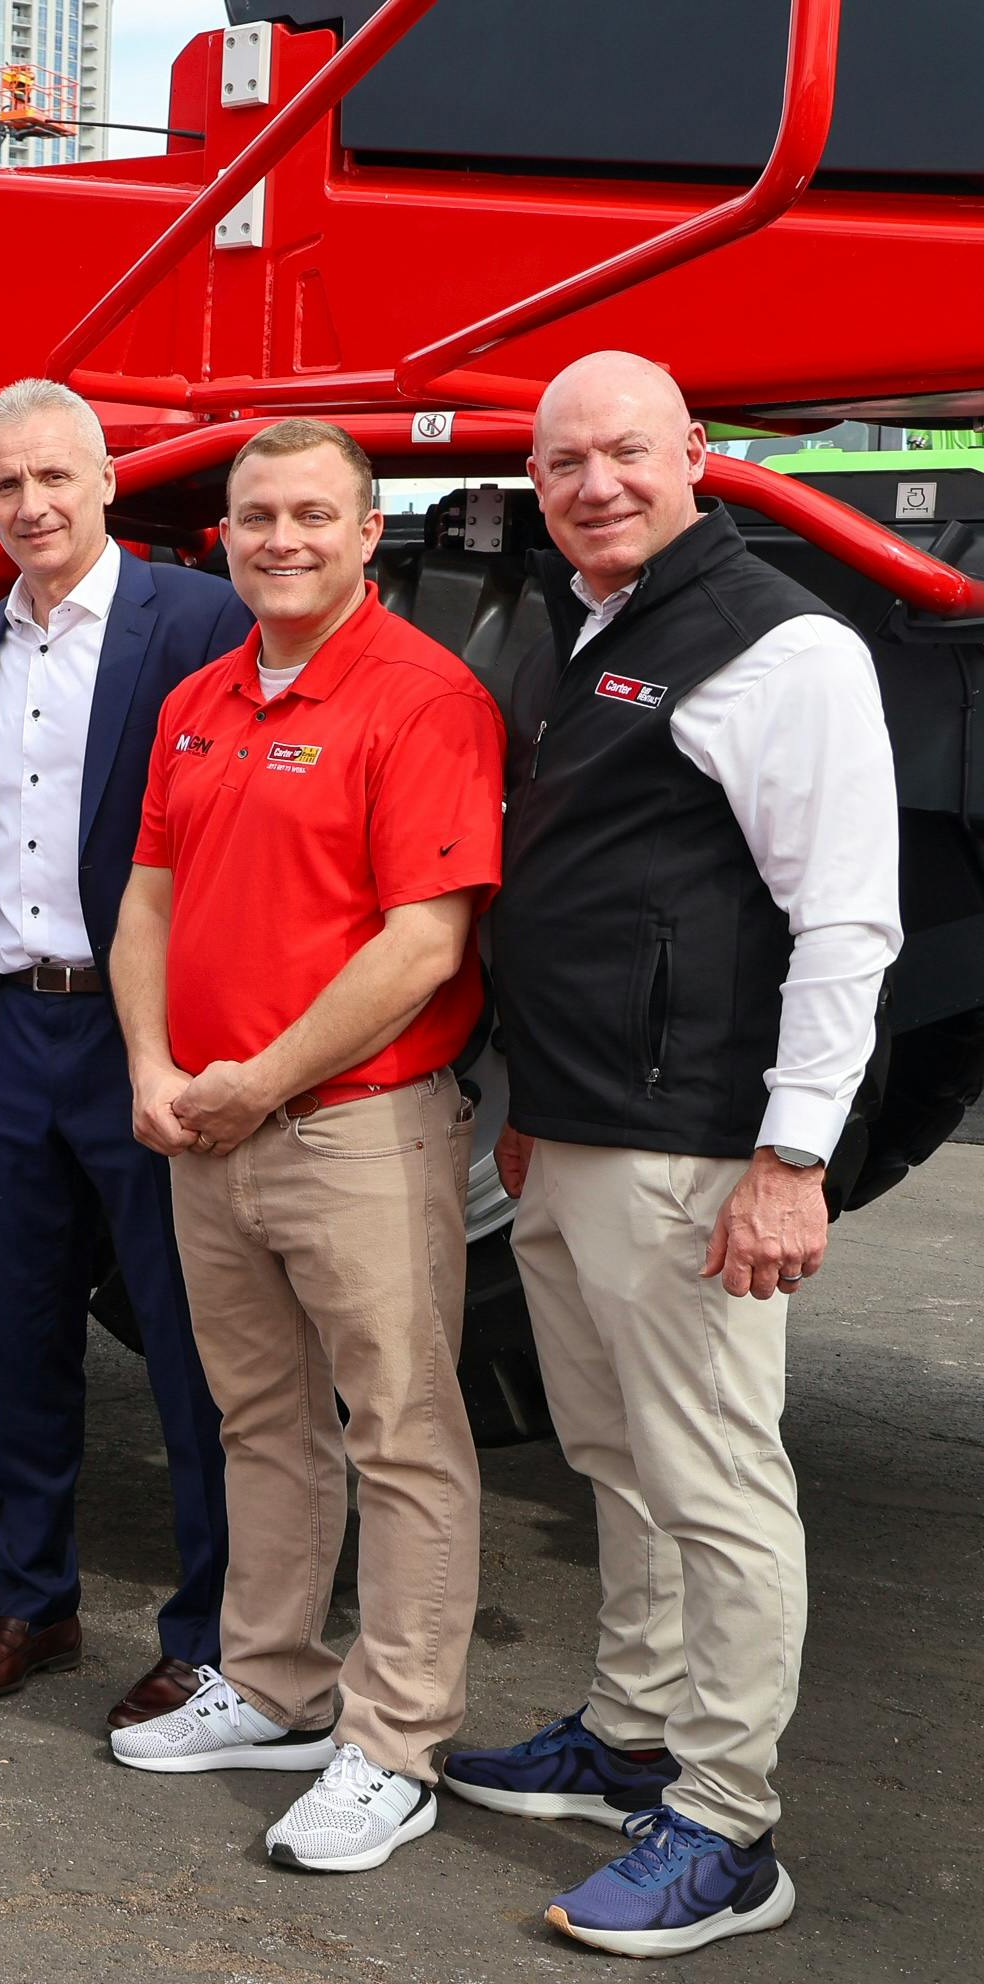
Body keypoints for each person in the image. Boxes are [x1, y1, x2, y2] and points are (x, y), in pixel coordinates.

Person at [442, 352, 899, 1959]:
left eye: (626, 452)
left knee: (717, 1487)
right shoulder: (589, 623)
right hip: (565, 1139)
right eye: (565, 461)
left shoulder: (782, 646)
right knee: (617, 1460)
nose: (595, 484)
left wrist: (794, 1159)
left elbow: (847, 920)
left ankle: (724, 1820)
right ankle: (629, 1736)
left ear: (695, 454)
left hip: (694, 1150)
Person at [105, 418, 504, 1875]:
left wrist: (256, 1079)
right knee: (258, 1421)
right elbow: (148, 895)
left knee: (400, 1435)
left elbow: (425, 943)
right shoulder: (202, 695)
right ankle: (271, 1681)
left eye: (312, 516)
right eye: (256, 515)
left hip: (352, 1129)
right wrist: (153, 1066)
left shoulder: (424, 697)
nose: (281, 539)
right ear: (221, 533)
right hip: (206, 1125)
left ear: (367, 529)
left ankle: (395, 1744)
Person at [0, 378, 251, 1725]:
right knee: (19, 1333)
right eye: (5, 485)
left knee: (190, 1340)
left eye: (55, 478)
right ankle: (33, 1602)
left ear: (110, 480)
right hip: (15, 1023)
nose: (32, 506)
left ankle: (211, 1628)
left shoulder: (198, 618)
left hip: (153, 1032)